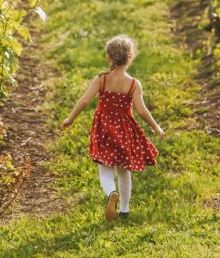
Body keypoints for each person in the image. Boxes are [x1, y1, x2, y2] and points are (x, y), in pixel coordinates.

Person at [61, 35, 164, 221]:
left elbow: (84, 100)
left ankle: (111, 193)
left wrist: (70, 118)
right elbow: (141, 110)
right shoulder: (133, 84)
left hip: (103, 129)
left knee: (105, 168)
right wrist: (156, 127)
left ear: (109, 57)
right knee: (124, 171)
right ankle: (124, 210)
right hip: (125, 130)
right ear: (130, 57)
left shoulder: (102, 79)